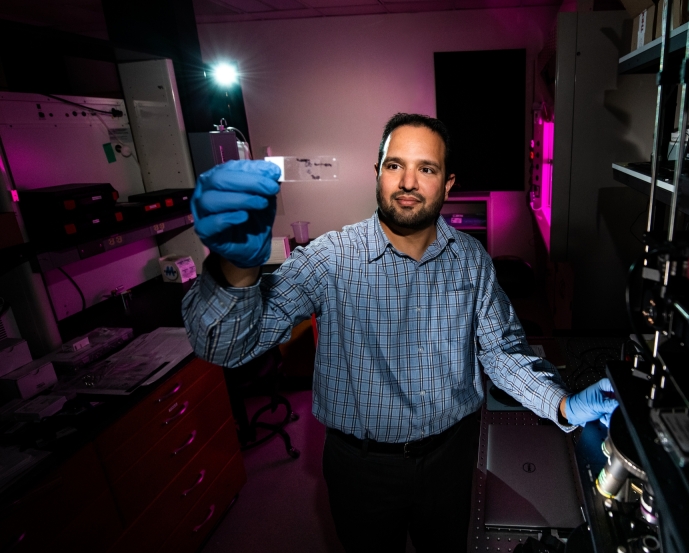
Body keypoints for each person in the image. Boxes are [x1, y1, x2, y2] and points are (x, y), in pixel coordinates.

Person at [181, 113, 618, 553]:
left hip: (453, 456)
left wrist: (563, 403)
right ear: (377, 174)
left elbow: (502, 352)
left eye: (425, 169)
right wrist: (235, 269)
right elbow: (225, 346)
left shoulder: (470, 258)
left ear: (447, 184)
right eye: (395, 165)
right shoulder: (331, 258)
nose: (408, 181)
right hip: (362, 469)